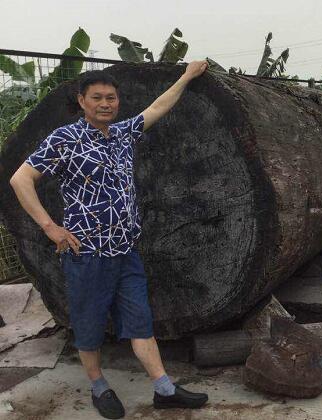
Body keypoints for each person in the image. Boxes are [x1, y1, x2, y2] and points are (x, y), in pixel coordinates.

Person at [9, 60, 209, 419]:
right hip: (87, 253)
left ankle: (163, 388)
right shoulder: (65, 138)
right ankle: (99, 386)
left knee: (140, 319)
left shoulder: (121, 134)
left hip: (125, 250)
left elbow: (157, 108)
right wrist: (50, 227)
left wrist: (187, 76)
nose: (106, 103)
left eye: (111, 97)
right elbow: (20, 180)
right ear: (82, 101)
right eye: (97, 97)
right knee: (88, 322)